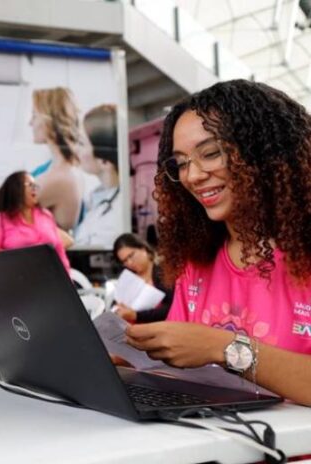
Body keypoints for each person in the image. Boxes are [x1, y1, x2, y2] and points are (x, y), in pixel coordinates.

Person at [125, 80, 311, 406]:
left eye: (210, 154)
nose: (192, 176)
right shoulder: (196, 263)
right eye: (181, 163)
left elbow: (207, 347)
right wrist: (127, 354)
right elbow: (181, 362)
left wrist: (223, 347)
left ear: (265, 153)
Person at [0, 87, 97, 231]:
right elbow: (14, 192)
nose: (30, 123)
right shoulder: (57, 167)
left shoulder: (60, 178)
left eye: (34, 116)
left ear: (49, 122)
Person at [0, 171, 70, 272]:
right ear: (16, 189)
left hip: (49, 278)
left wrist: (67, 277)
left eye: (35, 185)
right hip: (16, 278)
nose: (35, 188)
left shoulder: (46, 215)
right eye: (30, 185)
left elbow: (59, 251)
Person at [75, 104, 123, 248]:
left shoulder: (114, 217)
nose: (76, 149)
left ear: (104, 161)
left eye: (81, 143)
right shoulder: (97, 196)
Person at [112, 233, 173, 323]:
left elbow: (171, 307)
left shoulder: (163, 273)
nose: (129, 263)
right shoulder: (127, 277)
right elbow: (115, 303)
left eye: (131, 256)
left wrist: (136, 315)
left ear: (143, 248)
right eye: (124, 261)